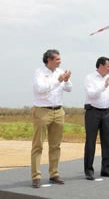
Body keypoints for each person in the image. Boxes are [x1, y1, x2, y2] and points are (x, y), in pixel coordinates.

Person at [31, 49, 72, 188]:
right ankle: (36, 176)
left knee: (56, 145)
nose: (60, 61)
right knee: (38, 145)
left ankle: (54, 174)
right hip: (42, 112)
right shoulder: (39, 73)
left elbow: (69, 89)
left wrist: (66, 80)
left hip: (58, 111)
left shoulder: (60, 72)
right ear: (49, 60)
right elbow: (40, 88)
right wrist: (58, 80)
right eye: (57, 59)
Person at [83, 57, 109, 180]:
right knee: (91, 142)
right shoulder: (90, 78)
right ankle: (89, 171)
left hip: (106, 112)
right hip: (93, 112)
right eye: (108, 66)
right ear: (100, 66)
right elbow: (91, 94)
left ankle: (106, 169)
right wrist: (103, 86)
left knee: (107, 141)